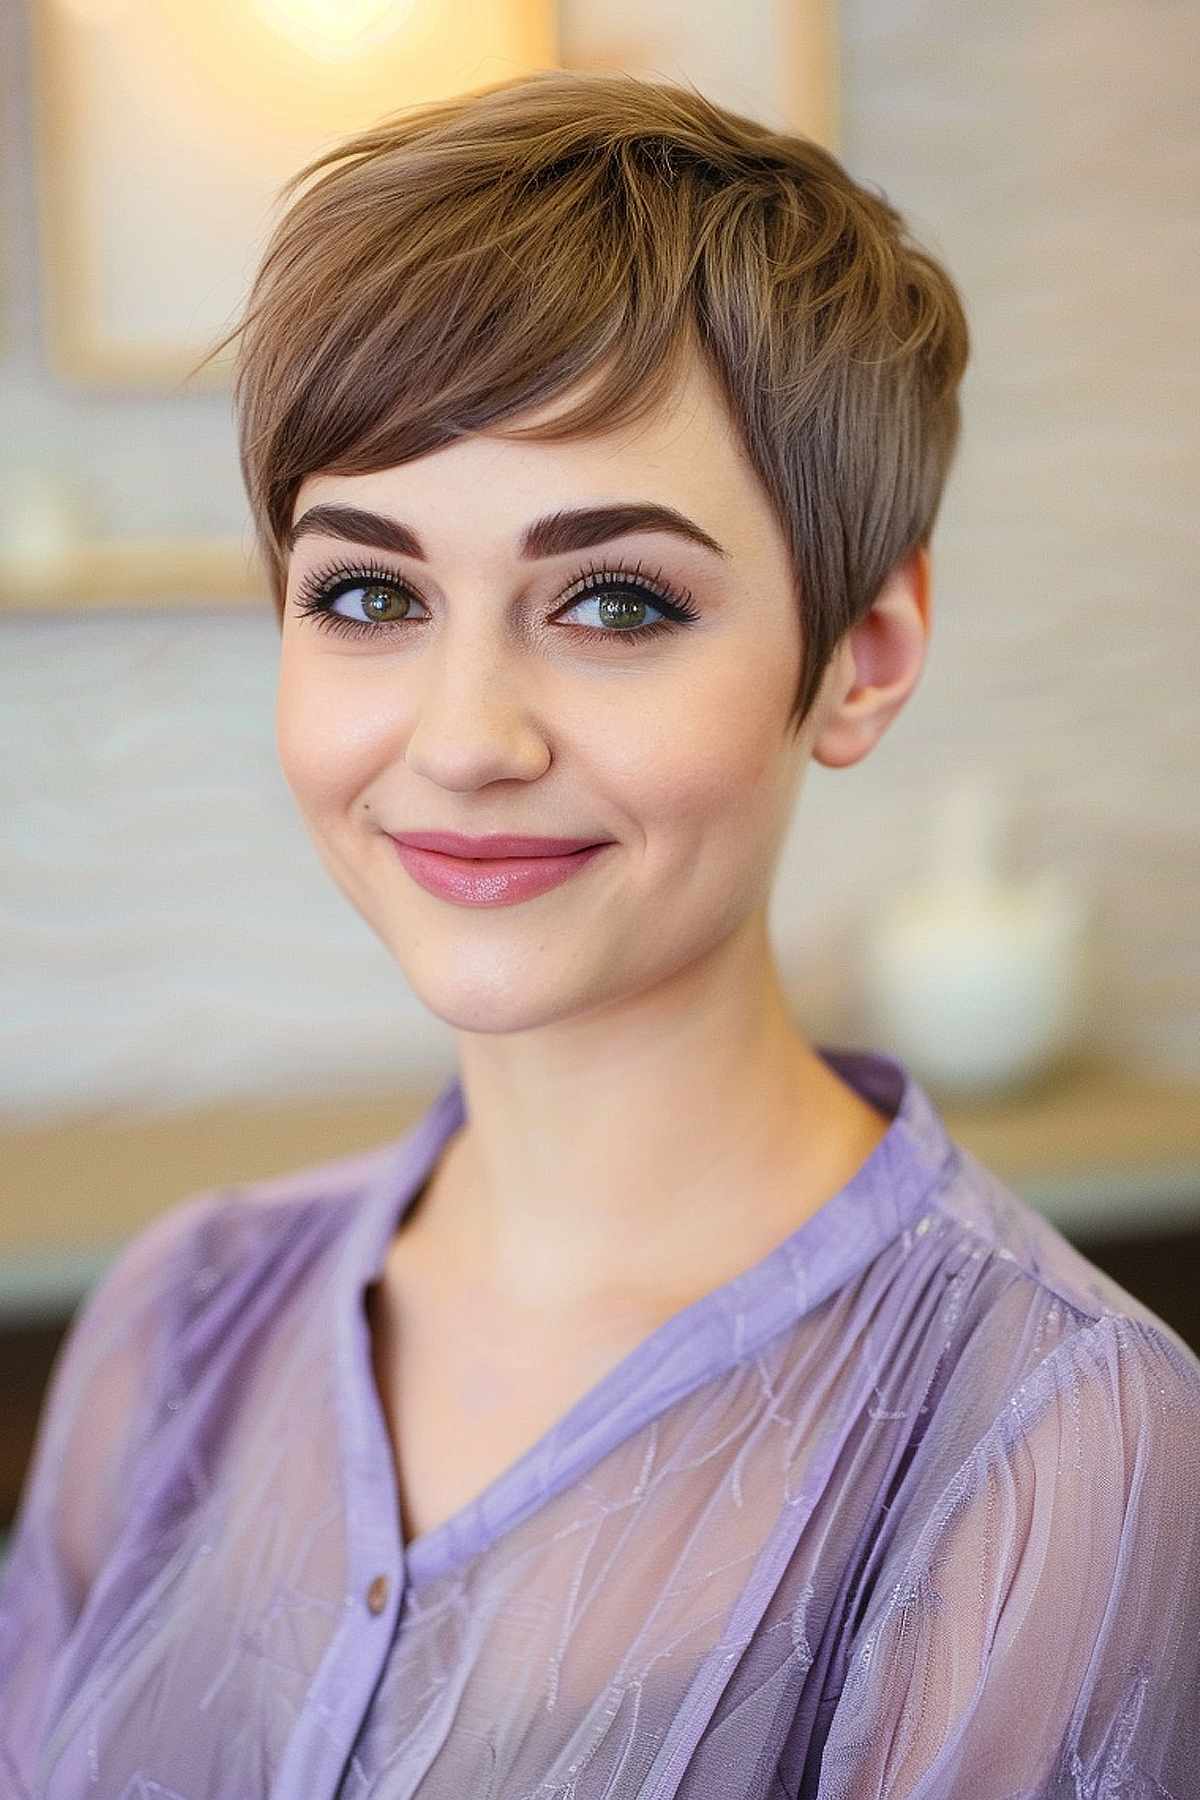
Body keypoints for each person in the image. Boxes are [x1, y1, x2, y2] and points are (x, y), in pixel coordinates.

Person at [2, 66, 1198, 1800]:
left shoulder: (1056, 1449)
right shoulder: (176, 1324)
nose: (467, 736)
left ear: (862, 652)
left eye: (615, 600)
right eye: (369, 593)